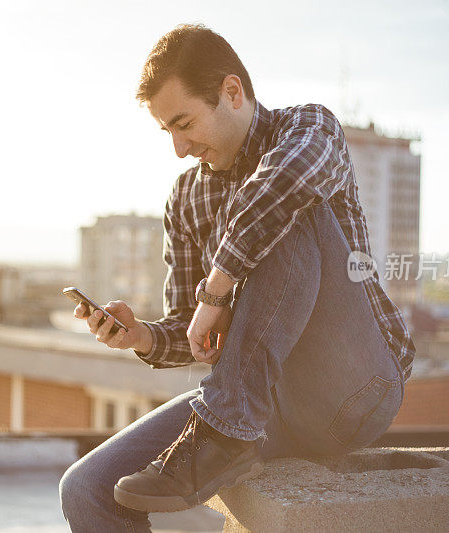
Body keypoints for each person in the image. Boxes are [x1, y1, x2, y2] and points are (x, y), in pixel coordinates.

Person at [59, 23, 416, 532]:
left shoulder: (310, 128)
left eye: (185, 123)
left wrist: (219, 284)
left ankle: (223, 434)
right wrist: (144, 335)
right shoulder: (185, 198)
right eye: (169, 132)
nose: (179, 148)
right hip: (258, 408)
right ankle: (225, 434)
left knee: (284, 204)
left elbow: (283, 186)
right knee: (86, 487)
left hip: (353, 383)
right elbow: (195, 329)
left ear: (232, 91)